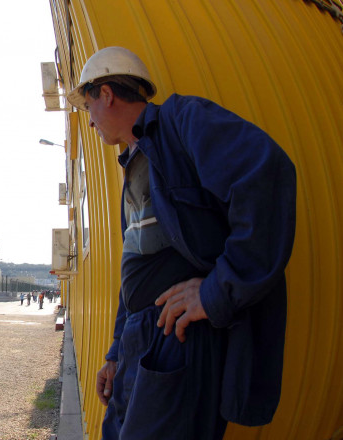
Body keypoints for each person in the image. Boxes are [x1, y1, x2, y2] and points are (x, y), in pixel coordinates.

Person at [65, 47, 296, 439]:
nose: (89, 121)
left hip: (177, 336)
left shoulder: (181, 121)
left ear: (107, 93)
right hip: (140, 341)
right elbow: (134, 271)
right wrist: (116, 353)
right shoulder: (134, 165)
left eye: (88, 106)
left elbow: (267, 174)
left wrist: (215, 291)